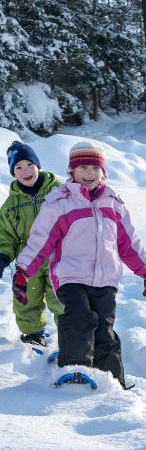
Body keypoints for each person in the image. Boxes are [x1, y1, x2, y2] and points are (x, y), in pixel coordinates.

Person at [13, 141, 146, 389]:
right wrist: (23, 271)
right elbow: (40, 241)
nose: (89, 173)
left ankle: (113, 381)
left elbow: (128, 242)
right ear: (71, 172)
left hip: (106, 279)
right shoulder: (59, 202)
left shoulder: (114, 202)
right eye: (82, 168)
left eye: (94, 168)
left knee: (105, 330)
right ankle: (75, 370)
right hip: (70, 276)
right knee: (79, 318)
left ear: (103, 172)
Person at [0, 141, 63, 346]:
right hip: (28, 262)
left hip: (59, 257)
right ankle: (33, 335)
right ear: (13, 172)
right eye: (18, 167)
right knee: (25, 299)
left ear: (38, 165)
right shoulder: (11, 205)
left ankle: (69, 335)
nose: (25, 171)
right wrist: (2, 256)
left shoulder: (60, 192)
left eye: (29, 164)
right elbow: (5, 235)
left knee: (62, 298)